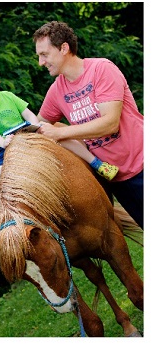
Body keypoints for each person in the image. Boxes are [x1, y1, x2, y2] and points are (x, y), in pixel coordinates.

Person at [33, 21, 144, 228]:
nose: (41, 62)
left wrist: (60, 133)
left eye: (44, 54)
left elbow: (110, 123)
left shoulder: (101, 70)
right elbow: (38, 125)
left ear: (64, 48)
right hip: (118, 180)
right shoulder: (57, 90)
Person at [0, 62, 118, 205]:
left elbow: (27, 114)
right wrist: (2, 142)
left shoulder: (7, 96)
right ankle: (2, 212)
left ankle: (97, 164)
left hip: (25, 131)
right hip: (6, 145)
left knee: (62, 136)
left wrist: (36, 126)